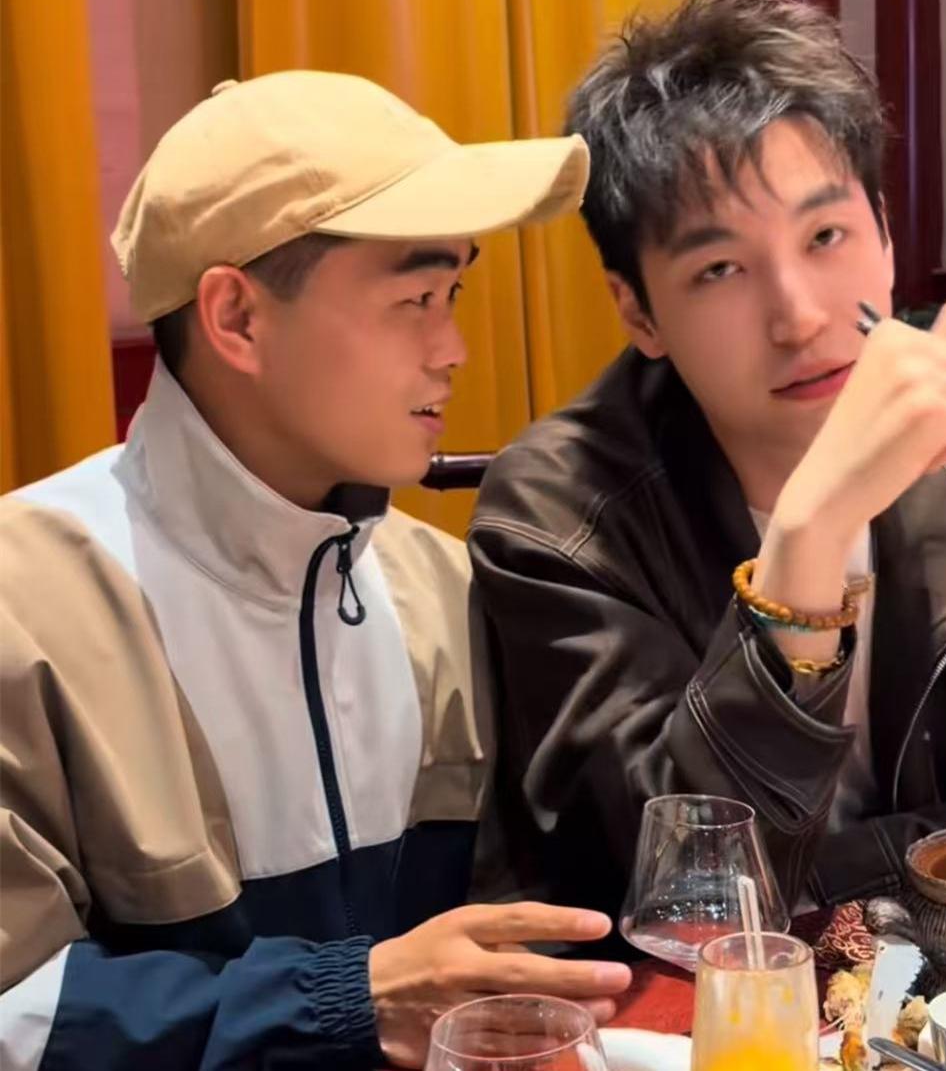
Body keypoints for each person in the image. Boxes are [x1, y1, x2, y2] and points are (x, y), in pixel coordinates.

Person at [466, 0, 946, 928]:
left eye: (825, 236)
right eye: (719, 269)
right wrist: (809, 537)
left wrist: (864, 871)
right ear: (639, 312)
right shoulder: (559, 509)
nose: (798, 316)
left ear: (883, 230)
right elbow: (686, 899)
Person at [0, 71, 631, 1071]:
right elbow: (13, 1012)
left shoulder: (445, 592)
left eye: (454, 295)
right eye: (414, 299)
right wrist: (348, 1000)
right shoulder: (26, 604)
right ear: (237, 318)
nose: (454, 349)